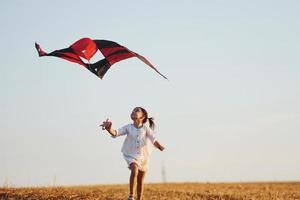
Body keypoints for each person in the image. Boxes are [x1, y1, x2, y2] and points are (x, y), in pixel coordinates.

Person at [100, 107, 165, 200]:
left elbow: (153, 139)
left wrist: (160, 146)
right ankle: (131, 196)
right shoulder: (128, 127)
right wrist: (109, 129)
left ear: (143, 116)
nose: (133, 111)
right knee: (134, 169)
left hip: (144, 157)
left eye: (137, 111)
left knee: (140, 180)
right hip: (131, 155)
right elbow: (116, 133)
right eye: (133, 110)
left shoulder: (146, 128)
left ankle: (139, 198)